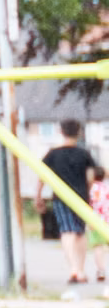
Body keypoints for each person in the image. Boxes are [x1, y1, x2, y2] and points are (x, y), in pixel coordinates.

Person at [37, 112, 98, 294]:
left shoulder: (53, 155)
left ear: (61, 131)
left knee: (67, 231)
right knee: (79, 233)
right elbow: (91, 177)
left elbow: (42, 176)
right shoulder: (84, 153)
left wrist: (38, 195)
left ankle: (73, 269)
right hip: (82, 197)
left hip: (61, 198)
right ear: (79, 133)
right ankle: (81, 269)